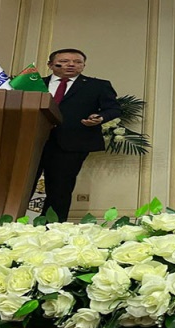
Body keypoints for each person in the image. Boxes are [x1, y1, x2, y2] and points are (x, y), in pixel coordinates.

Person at [37, 48, 121, 221]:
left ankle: (52, 228)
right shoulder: (35, 84)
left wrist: (100, 118)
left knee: (60, 189)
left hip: (71, 143)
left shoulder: (97, 86)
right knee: (22, 186)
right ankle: (12, 225)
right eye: (65, 61)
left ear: (83, 66)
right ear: (51, 65)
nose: (71, 65)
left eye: (77, 62)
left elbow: (113, 109)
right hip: (31, 142)